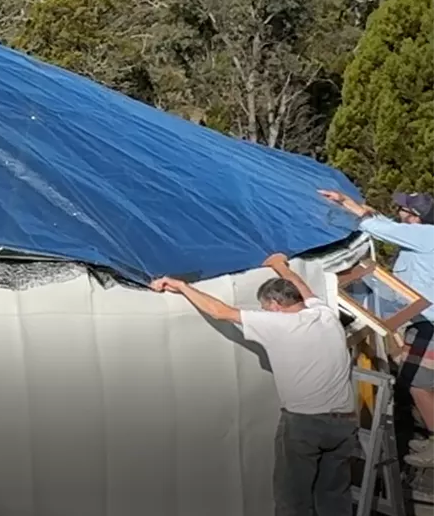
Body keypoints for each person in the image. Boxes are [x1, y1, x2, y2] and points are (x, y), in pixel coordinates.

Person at [151, 253, 356, 516]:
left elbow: (220, 312)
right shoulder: (325, 315)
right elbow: (304, 290)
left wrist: (181, 286)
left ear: (274, 304)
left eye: (264, 306)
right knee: (334, 497)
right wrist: (280, 266)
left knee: (293, 499)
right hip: (345, 422)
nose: (263, 311)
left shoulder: (278, 324)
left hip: (306, 424)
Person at [319, 188, 434, 466]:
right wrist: (357, 206)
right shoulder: (422, 234)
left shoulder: (424, 236)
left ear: (414, 217)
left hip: (430, 325)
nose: (399, 212)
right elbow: (386, 225)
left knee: (419, 384)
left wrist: (346, 204)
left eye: (403, 209)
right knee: (417, 378)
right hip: (423, 322)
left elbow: (373, 225)